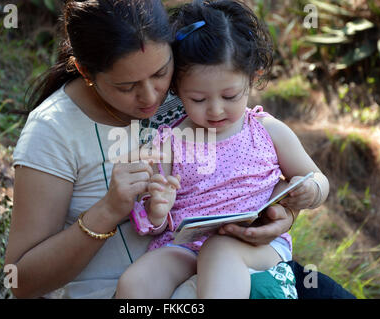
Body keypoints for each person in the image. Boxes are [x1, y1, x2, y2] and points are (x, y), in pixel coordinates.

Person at [5, 0, 342, 299]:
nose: (152, 97)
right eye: (127, 87)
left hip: (246, 259)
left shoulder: (198, 80)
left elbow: (290, 175)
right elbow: (21, 281)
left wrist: (285, 208)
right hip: (172, 262)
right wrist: (112, 210)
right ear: (84, 70)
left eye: (161, 74)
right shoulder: (52, 133)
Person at [115, 0, 329, 299]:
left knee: (219, 250)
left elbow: (316, 179)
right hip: (186, 246)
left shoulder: (268, 130)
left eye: (229, 95)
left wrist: (311, 191)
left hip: (255, 245)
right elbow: (154, 220)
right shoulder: (170, 142)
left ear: (252, 78)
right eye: (198, 99)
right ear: (177, 90)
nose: (215, 110)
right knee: (137, 282)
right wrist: (157, 210)